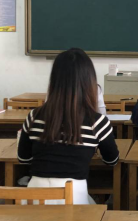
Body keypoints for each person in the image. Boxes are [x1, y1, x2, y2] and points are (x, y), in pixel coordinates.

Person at [18, 48, 119, 204]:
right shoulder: (98, 122)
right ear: (90, 81)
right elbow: (112, 160)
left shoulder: (34, 116)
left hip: (35, 197)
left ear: (54, 80)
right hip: (74, 197)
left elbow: (23, 158)